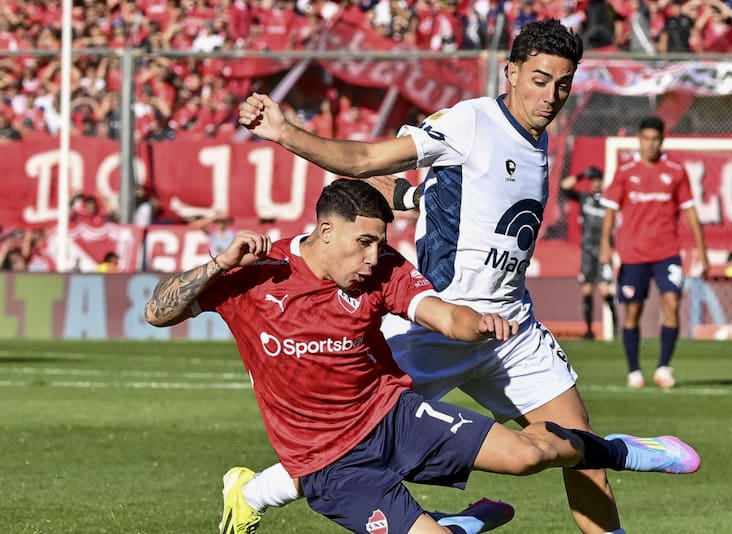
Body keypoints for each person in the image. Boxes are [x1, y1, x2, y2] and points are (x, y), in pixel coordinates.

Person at [236, 18, 684, 534]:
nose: (551, 95)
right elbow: (363, 159)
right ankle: (254, 492)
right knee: (353, 435)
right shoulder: (469, 122)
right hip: (438, 322)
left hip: (511, 326)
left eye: (563, 84)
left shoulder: (537, 139)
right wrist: (283, 131)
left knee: (578, 447)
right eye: (539, 80)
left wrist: (413, 198)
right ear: (511, 72)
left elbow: (463, 199)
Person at [144, 179, 701, 534]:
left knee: (529, 457)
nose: (373, 255)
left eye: (378, 241)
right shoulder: (251, 278)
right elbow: (157, 313)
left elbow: (439, 312)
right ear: (324, 230)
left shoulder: (383, 265)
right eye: (362, 242)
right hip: (329, 466)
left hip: (396, 418)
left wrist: (477, 323)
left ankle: (621, 451)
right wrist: (217, 264)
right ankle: (457, 526)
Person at [599, 116, 710, 390]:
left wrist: (703, 251)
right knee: (633, 312)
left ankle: (663, 367)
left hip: (667, 252)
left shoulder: (675, 170)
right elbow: (611, 210)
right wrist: (605, 243)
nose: (651, 144)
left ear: (662, 140)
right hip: (633, 254)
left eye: (656, 139)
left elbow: (691, 211)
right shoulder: (625, 171)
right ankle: (634, 370)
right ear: (639, 140)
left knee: (672, 303)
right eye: (646, 139)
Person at [559, 165, 617, 339]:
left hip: (603, 250)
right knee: (587, 290)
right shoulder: (585, 198)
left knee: (605, 290)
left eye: (599, 180)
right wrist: (581, 174)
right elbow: (564, 187)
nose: (596, 184)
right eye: (593, 181)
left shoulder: (609, 201)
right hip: (587, 252)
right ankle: (589, 330)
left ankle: (616, 328)